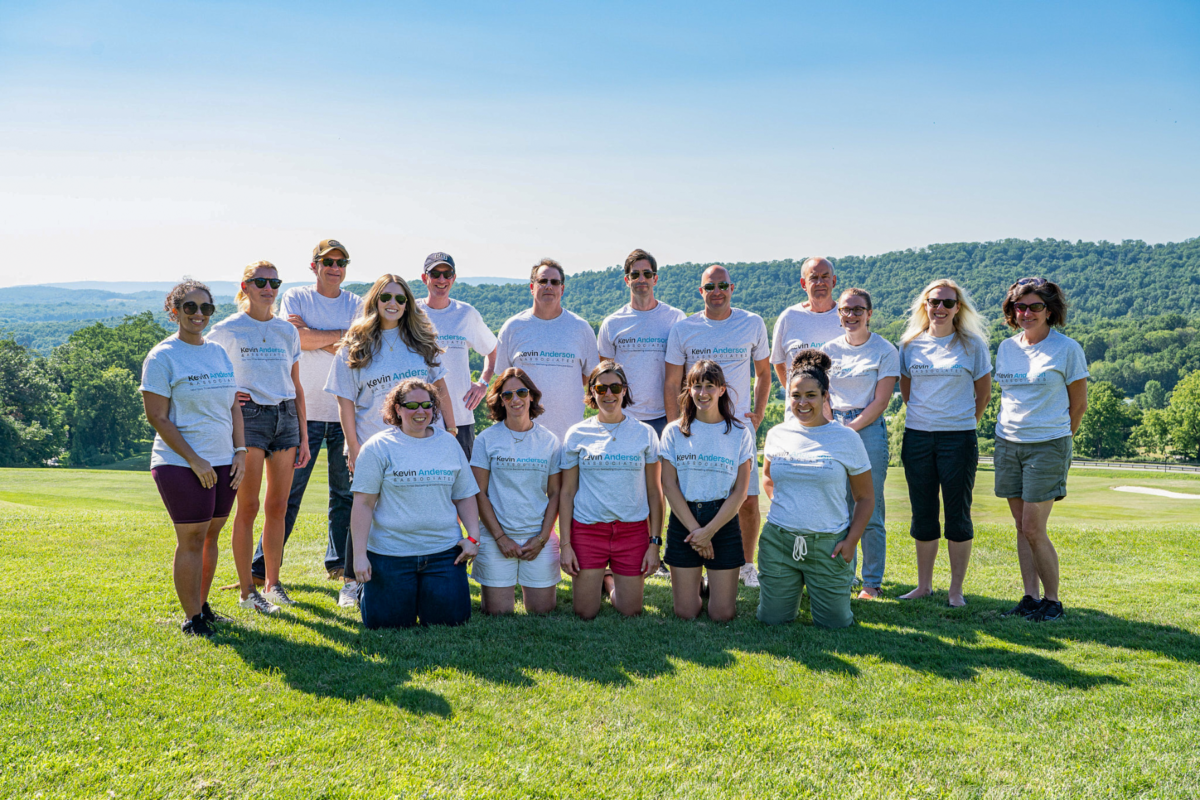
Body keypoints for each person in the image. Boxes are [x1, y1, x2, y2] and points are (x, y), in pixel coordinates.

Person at [326, 273, 456, 607]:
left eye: (400, 299)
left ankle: (423, 572)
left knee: (419, 506)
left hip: (423, 443)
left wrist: (451, 433)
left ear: (408, 304)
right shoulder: (356, 345)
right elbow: (344, 401)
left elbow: (440, 390)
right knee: (362, 510)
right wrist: (353, 446)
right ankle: (352, 581)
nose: (393, 304)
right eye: (386, 298)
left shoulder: (421, 340)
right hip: (372, 443)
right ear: (375, 302)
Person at [140, 280, 247, 637]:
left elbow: (233, 404)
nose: (198, 314)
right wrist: (195, 460)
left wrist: (241, 451)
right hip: (179, 463)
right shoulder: (162, 356)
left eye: (206, 308)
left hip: (223, 460)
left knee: (212, 534)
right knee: (192, 537)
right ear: (174, 311)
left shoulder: (217, 351)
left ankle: (203, 607)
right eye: (190, 307)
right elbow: (158, 417)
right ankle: (192, 619)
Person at [208, 261, 310, 612]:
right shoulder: (227, 329)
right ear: (246, 286)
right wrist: (225, 394)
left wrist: (305, 437)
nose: (269, 288)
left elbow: (296, 385)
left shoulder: (287, 331)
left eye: (274, 282)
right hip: (249, 418)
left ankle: (273, 583)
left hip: (285, 417)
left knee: (278, 507)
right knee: (248, 506)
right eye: (261, 282)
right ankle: (247, 592)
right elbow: (206, 369)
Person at [266, 238, 363, 606]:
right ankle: (263, 569)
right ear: (315, 266)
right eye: (328, 261)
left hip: (344, 410)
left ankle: (339, 565)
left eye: (341, 262)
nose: (335, 268)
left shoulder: (356, 303)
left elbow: (358, 344)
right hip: (302, 411)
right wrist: (337, 336)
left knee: (346, 495)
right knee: (287, 495)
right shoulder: (296, 297)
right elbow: (297, 338)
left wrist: (315, 337)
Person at [665, 264, 770, 586]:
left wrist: (760, 413)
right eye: (710, 287)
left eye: (722, 285)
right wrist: (677, 425)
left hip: (736, 428)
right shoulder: (684, 328)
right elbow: (672, 382)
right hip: (693, 427)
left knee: (747, 500)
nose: (717, 291)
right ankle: (696, 559)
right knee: (692, 496)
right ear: (701, 291)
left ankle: (746, 566)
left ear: (732, 288)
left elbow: (764, 374)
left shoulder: (752, 323)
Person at [349, 379, 481, 628]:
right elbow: (363, 504)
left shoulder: (449, 444)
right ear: (397, 409)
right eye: (411, 405)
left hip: (443, 554)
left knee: (450, 622)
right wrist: (359, 556)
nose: (420, 412)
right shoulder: (378, 447)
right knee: (386, 625)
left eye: (427, 405)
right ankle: (366, 591)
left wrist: (473, 537)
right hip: (390, 554)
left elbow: (464, 495)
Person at [993, 277, 1088, 622]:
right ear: (1012, 311)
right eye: (1020, 306)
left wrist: (1060, 437)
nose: (1027, 312)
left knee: (1033, 527)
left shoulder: (1066, 349)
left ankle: (1053, 602)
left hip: (1047, 444)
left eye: (1035, 306)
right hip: (1008, 442)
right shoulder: (1007, 348)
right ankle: (1030, 598)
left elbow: (1078, 405)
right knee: (1021, 527)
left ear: (1049, 310)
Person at [758, 350, 874, 628]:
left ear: (825, 396)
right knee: (772, 620)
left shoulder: (846, 438)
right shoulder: (777, 434)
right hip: (779, 542)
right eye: (796, 395)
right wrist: (789, 505)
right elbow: (768, 478)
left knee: (834, 624)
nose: (802, 402)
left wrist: (851, 542)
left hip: (828, 547)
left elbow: (865, 497)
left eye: (810, 395)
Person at [896, 279, 992, 607]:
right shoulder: (909, 345)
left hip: (959, 439)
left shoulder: (973, 346)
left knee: (957, 515)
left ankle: (955, 590)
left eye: (947, 303)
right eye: (934, 302)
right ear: (925, 305)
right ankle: (924, 586)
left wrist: (961, 421)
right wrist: (928, 419)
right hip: (918, 438)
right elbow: (907, 393)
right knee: (923, 513)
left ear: (958, 308)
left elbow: (984, 394)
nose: (940, 308)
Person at [559, 361, 663, 619]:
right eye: (601, 388)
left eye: (615, 387)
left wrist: (654, 544)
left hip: (632, 531)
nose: (608, 394)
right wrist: (565, 545)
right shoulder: (577, 433)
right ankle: (604, 577)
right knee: (585, 612)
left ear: (624, 390)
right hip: (588, 530)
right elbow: (567, 492)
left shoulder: (645, 433)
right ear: (592, 392)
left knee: (631, 611)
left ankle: (609, 581)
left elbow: (654, 491)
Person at [659, 361, 755, 621]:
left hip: (722, 520)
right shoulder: (674, 431)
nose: (703, 393)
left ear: (722, 390)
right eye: (696, 386)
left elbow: (740, 492)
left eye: (710, 386)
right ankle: (698, 585)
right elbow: (669, 485)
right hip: (684, 521)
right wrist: (696, 533)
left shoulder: (739, 432)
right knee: (686, 612)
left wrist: (709, 532)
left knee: (722, 614)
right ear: (688, 390)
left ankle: (714, 581)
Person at [820, 288, 899, 599]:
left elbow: (881, 401)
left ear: (869, 313)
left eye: (857, 309)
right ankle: (843, 574)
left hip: (868, 430)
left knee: (870, 506)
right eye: (844, 309)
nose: (850, 315)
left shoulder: (885, 350)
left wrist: (850, 430)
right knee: (838, 505)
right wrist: (831, 427)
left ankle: (871, 582)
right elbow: (823, 395)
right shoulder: (828, 350)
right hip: (832, 424)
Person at [470, 368, 562, 615]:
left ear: (531, 396)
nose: (515, 399)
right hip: (495, 536)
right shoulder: (486, 440)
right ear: (500, 400)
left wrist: (542, 539)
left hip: (537, 537)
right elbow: (479, 493)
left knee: (542, 611)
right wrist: (500, 537)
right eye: (507, 394)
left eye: (521, 392)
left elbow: (555, 494)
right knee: (497, 613)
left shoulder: (550, 441)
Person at [494, 258, 600, 442]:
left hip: (569, 435)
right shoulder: (513, 328)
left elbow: (588, 377)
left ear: (562, 289)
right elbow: (502, 382)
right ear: (531, 287)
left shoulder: (581, 328)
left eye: (555, 282)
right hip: (521, 436)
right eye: (542, 281)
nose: (549, 286)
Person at [596, 249, 686, 438]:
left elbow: (683, 373)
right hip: (624, 417)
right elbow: (605, 377)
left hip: (665, 416)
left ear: (655, 278)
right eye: (635, 274)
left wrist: (677, 419)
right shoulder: (612, 323)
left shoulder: (675, 318)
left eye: (647, 274)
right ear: (627, 280)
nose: (641, 279)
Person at [417, 251, 498, 458]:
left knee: (463, 488)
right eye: (435, 274)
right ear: (425, 278)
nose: (442, 280)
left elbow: (492, 349)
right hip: (417, 416)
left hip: (461, 418)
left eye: (447, 274)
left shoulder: (466, 313)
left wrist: (483, 384)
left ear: (454, 278)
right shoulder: (412, 312)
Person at [771, 257, 844, 421]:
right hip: (798, 415)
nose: (820, 282)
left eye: (825, 277)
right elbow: (778, 362)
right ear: (803, 284)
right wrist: (800, 393)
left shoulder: (847, 317)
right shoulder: (788, 318)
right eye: (813, 277)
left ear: (833, 281)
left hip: (840, 415)